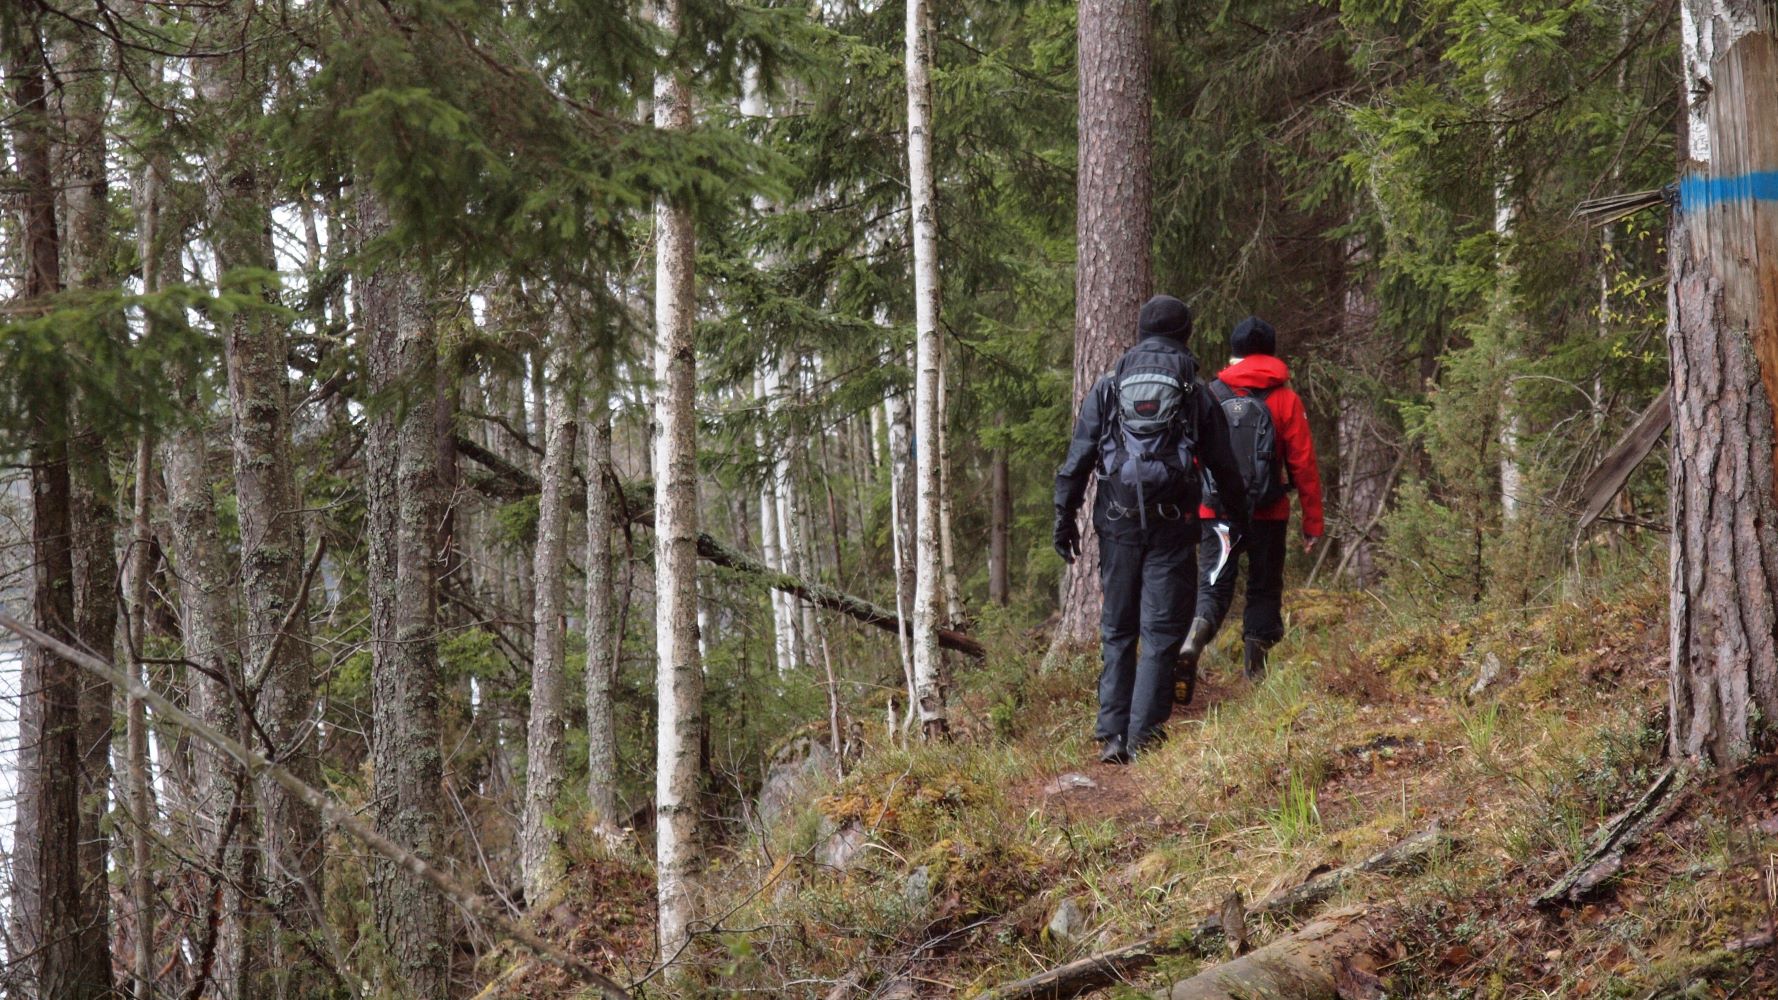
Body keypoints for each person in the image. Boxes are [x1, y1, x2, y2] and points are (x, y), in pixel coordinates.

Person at [1054, 295, 1251, 764]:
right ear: (1184, 334)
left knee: (1118, 627)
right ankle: (1142, 737)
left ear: (1141, 332)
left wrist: (1064, 517)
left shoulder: (1109, 384)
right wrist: (1238, 520)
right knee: (1162, 631)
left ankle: (1111, 735)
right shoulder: (1194, 389)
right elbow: (1224, 466)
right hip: (1174, 524)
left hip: (1117, 522)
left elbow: (1078, 458)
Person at [1180, 316, 1324, 685]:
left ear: (1235, 354)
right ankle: (1254, 673)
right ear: (1272, 352)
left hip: (1218, 513)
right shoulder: (1285, 399)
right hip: (1268, 512)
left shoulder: (1212, 393)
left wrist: (1191, 510)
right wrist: (1312, 523)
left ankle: (1195, 638)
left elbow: (1193, 456)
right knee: (1262, 587)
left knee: (1213, 585)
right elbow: (1303, 464)